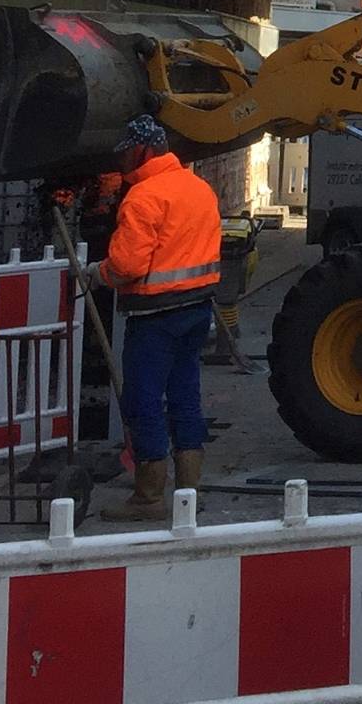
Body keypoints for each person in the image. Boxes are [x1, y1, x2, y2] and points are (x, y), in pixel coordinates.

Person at [98, 114, 223, 520]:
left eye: (126, 153)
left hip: (155, 316)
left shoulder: (143, 197)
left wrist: (97, 274)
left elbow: (126, 265)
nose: (122, 162)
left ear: (143, 150)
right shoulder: (198, 188)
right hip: (196, 309)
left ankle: (149, 497)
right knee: (186, 397)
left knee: (144, 401)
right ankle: (189, 493)